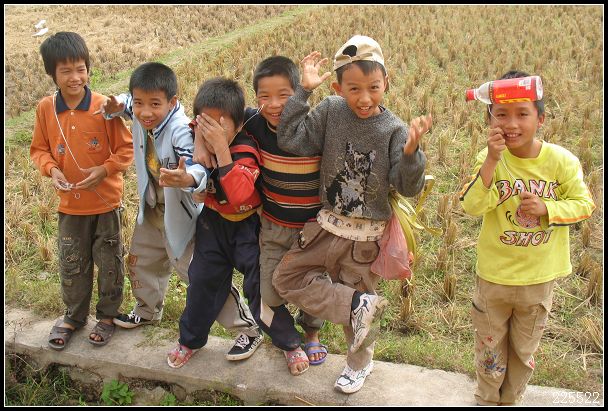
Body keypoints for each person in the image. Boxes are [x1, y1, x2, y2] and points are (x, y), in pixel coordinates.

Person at [272, 35, 431, 393]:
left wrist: (411, 153)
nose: (364, 98)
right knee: (286, 278)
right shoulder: (330, 110)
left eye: (373, 87)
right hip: (325, 228)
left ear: (386, 82)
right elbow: (292, 139)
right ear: (337, 87)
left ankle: (359, 365)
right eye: (354, 88)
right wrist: (302, 92)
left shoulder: (394, 130)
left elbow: (407, 187)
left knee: (354, 321)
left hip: (364, 240)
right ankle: (359, 305)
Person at [97, 63, 262, 360]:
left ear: (172, 102)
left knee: (201, 278)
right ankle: (147, 310)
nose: (145, 112)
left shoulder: (180, 131)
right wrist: (117, 105)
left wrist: (187, 178)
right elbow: (127, 102)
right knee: (142, 261)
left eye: (155, 104)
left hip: (179, 215)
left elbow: (197, 166)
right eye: (140, 103)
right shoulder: (141, 111)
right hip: (151, 207)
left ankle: (247, 328)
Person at [459, 70, 596, 406]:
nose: (511, 124)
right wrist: (492, 160)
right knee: (489, 347)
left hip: (538, 279)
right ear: (489, 119)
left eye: (522, 114)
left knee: (523, 350)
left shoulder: (561, 161)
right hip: (494, 278)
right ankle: (487, 398)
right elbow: (472, 206)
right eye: (501, 114)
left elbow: (584, 205)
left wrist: (548, 208)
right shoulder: (488, 160)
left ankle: (511, 399)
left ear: (541, 119)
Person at [30, 32, 133, 349]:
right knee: (72, 263)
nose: (75, 77)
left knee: (110, 262)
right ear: (52, 73)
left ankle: (107, 316)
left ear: (88, 69)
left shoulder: (104, 107)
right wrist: (53, 170)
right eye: (66, 71)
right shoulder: (46, 109)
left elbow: (125, 149)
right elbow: (39, 150)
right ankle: (74, 317)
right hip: (70, 205)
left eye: (80, 69)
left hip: (105, 203)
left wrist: (103, 170)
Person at [167, 77, 266, 368]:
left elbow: (238, 195)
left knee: (259, 284)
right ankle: (190, 340)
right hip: (212, 223)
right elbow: (191, 128)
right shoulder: (196, 135)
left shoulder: (246, 150)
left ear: (239, 125)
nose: (212, 133)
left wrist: (221, 150)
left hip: (247, 225)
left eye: (219, 127)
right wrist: (199, 139)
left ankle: (280, 339)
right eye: (205, 125)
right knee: (201, 281)